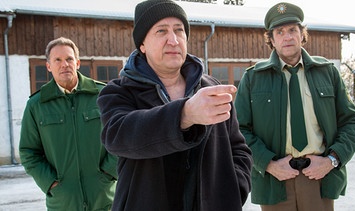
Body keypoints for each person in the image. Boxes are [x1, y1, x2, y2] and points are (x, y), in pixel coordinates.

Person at [97, 0, 252, 210]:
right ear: (142, 44)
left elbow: (238, 149)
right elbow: (117, 136)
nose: (173, 40)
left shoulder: (211, 89)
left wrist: (234, 190)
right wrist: (184, 115)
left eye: (179, 30)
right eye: (161, 31)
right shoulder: (120, 91)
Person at [234, 2, 355, 211]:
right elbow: (239, 130)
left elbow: (351, 122)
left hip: (319, 178)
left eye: (293, 29)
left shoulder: (327, 72)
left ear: (302, 34)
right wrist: (268, 164)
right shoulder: (253, 78)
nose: (288, 36)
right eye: (280, 31)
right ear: (271, 39)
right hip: (274, 182)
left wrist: (332, 160)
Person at [19, 37, 118, 211]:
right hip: (62, 203)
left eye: (69, 59)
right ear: (49, 66)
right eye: (57, 60)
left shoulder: (102, 96)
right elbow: (29, 152)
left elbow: (120, 137)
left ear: (78, 63)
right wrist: (51, 183)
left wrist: (108, 173)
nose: (64, 64)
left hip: (105, 199)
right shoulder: (36, 105)